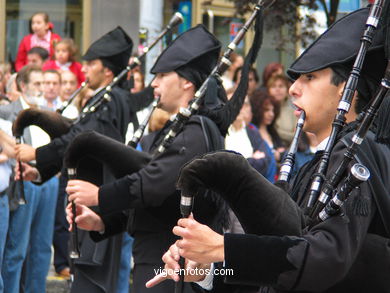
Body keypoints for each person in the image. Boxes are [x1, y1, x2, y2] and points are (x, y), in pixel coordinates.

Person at [147, 7, 390, 292]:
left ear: (347, 88)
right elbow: (284, 263)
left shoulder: (357, 154)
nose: (293, 89)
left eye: (309, 78)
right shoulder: (328, 158)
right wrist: (206, 270)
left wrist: (222, 248)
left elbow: (325, 260)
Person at [65, 24, 230, 293]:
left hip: (172, 265)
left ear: (187, 81)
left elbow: (154, 184)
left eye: (163, 75)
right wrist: (104, 221)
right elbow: (158, 204)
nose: (154, 83)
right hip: (159, 258)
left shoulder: (196, 131)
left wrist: (99, 196)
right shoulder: (184, 129)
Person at [15, 26, 154, 293]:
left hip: (98, 202)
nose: (85, 68)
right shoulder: (102, 99)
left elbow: (81, 138)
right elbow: (77, 144)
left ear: (108, 71)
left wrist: (37, 154)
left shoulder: (111, 100)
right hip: (89, 200)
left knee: (91, 282)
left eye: (92, 64)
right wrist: (39, 171)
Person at [0, 65, 59, 293]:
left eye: (44, 83)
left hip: (48, 178)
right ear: (23, 86)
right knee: (17, 248)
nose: (42, 88)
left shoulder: (48, 112)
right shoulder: (7, 112)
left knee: (43, 245)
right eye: (37, 84)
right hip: (22, 180)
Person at [250, 89, 285, 167]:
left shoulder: (272, 131)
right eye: (266, 110)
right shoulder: (251, 131)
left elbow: (283, 153)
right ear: (257, 110)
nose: (271, 114)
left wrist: (280, 155)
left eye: (273, 110)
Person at [267, 74, 296, 146]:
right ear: (268, 91)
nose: (277, 89)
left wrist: (276, 131)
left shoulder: (293, 112)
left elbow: (296, 136)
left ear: (287, 91)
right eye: (273, 86)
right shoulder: (264, 110)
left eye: (281, 86)